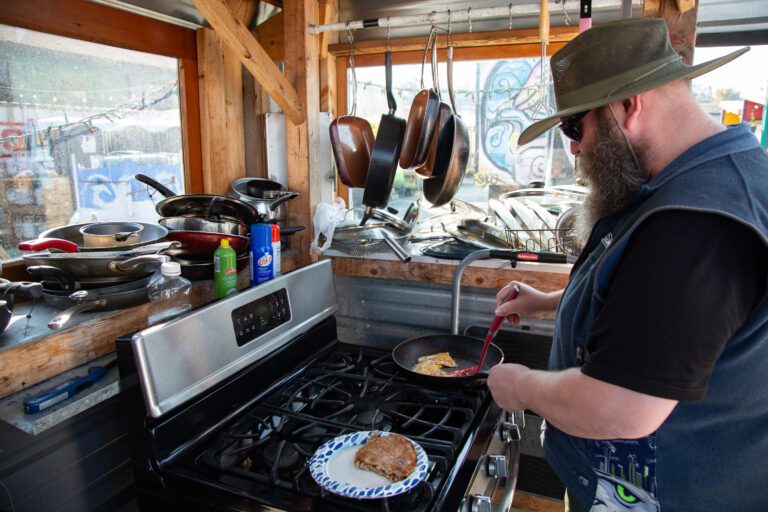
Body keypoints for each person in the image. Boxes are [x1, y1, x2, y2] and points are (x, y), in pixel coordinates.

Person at [488, 18, 768, 512]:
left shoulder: (697, 223)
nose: (574, 147)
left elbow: (619, 407)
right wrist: (551, 302)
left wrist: (520, 386)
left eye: (576, 126)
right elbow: (658, 316)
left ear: (627, 106)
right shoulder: (689, 181)